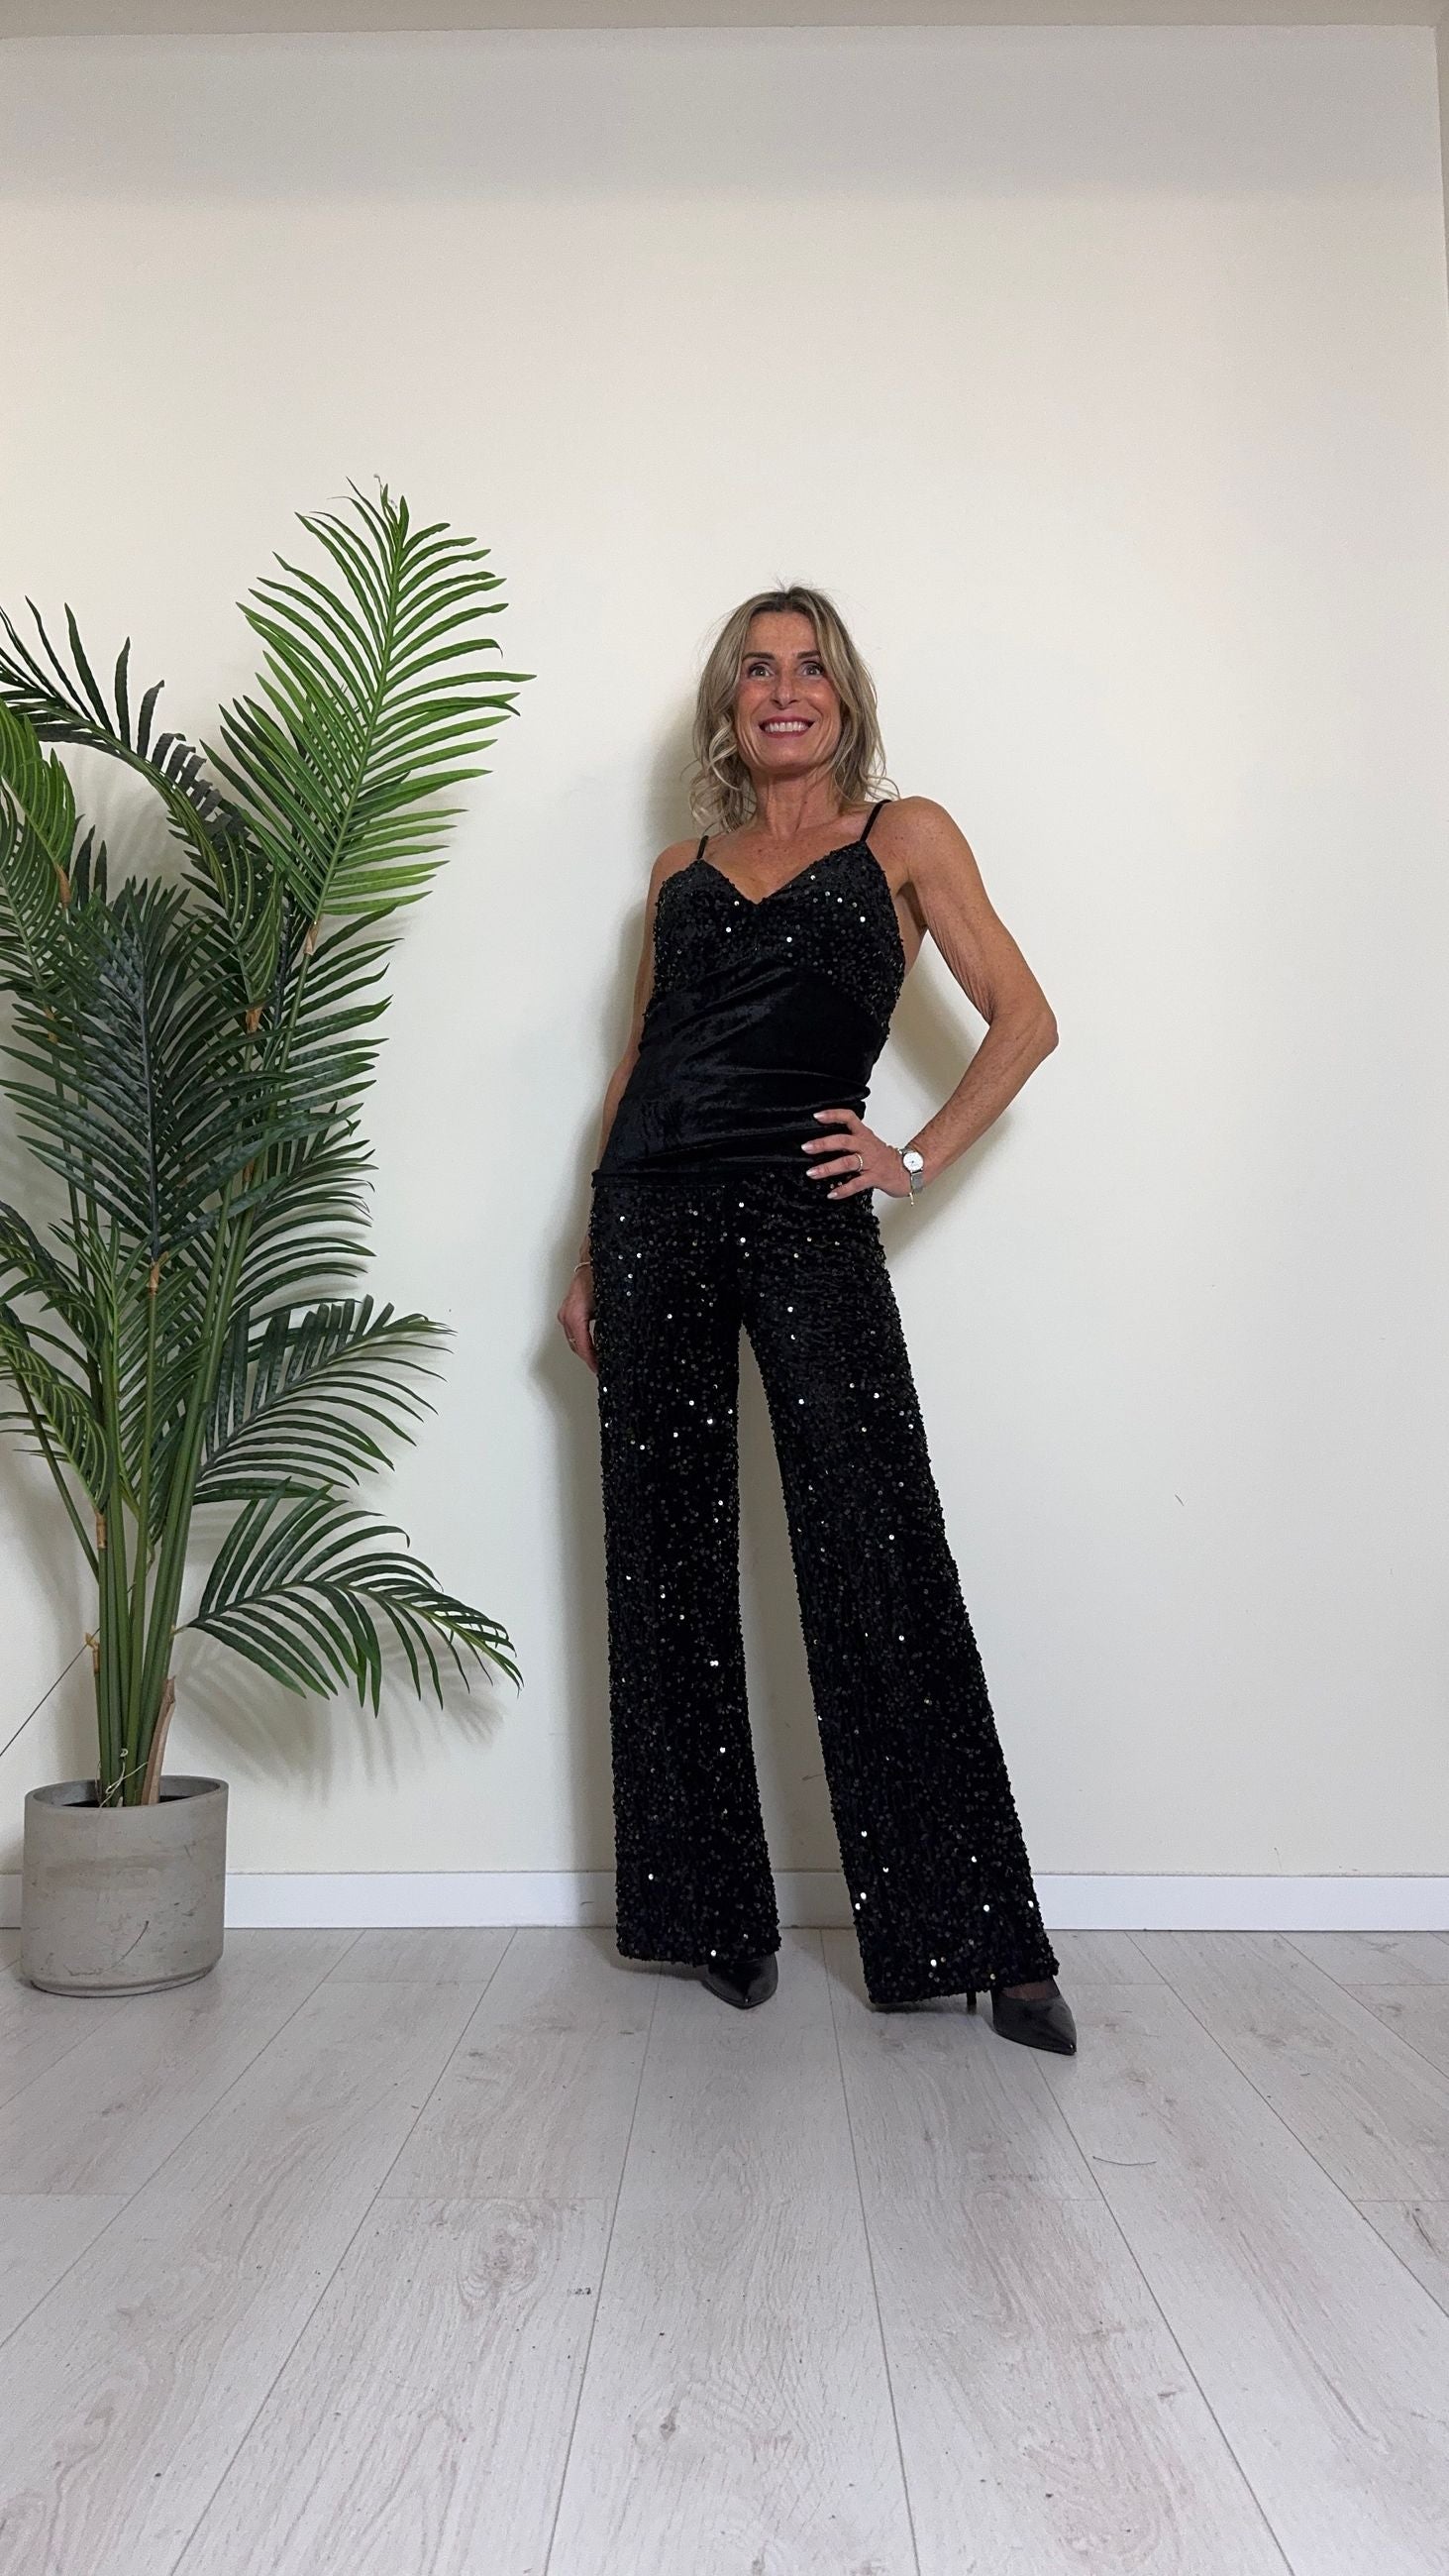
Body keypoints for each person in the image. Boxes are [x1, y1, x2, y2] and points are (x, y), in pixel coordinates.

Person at [557, 587, 1075, 2055]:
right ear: (729, 706)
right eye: (757, 671)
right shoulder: (679, 870)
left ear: (843, 698)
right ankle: (712, 1914)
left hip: (805, 1216)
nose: (783, 691)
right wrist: (590, 1248)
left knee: (875, 1544)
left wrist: (910, 1156)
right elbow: (640, 1062)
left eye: (809, 669)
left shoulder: (904, 837)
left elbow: (1026, 1016)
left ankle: (976, 1937)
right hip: (653, 1215)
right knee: (665, 1562)